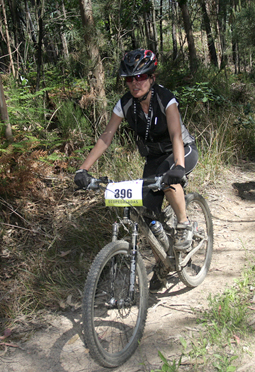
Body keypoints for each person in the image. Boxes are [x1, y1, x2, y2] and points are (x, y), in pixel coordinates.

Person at [74, 49, 199, 292]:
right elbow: (106, 137)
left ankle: (184, 224)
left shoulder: (165, 99)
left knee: (168, 180)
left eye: (140, 77)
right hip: (153, 158)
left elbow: (175, 134)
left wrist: (180, 167)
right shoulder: (125, 104)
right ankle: (164, 263)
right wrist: (83, 169)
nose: (134, 83)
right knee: (146, 215)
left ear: (152, 77)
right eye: (129, 79)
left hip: (181, 150)